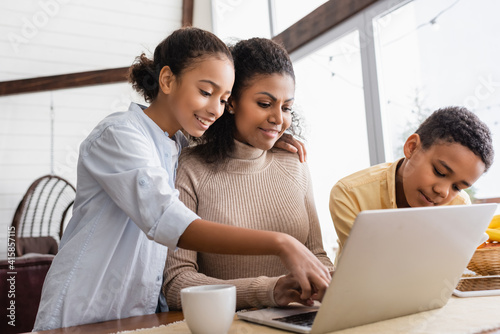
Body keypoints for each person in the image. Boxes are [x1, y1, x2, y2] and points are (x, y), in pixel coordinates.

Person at [33, 27, 330, 331]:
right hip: (80, 313)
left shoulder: (178, 145)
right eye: (205, 92)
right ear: (167, 80)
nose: (215, 109)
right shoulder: (119, 136)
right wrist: (281, 243)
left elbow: (225, 147)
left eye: (223, 98)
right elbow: (169, 221)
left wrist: (267, 137)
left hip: (141, 316)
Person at [163, 37, 334, 311]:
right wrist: (269, 290)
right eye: (265, 104)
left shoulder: (294, 163)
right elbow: (176, 284)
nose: (279, 118)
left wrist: (333, 279)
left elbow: (316, 255)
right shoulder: (190, 168)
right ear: (230, 102)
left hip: (300, 320)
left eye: (287, 107)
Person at [330, 106, 494, 260]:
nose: (443, 192)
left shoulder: (458, 206)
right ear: (412, 147)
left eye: (457, 187)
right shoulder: (349, 194)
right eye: (439, 172)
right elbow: (371, 265)